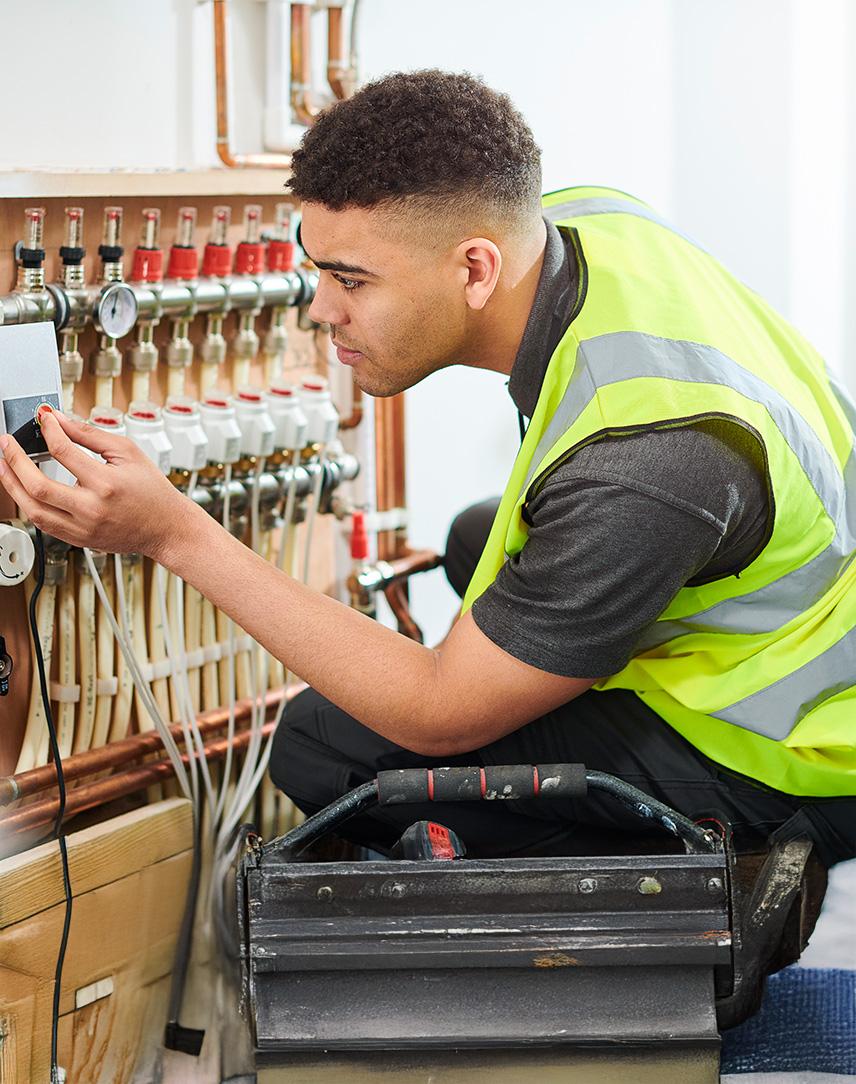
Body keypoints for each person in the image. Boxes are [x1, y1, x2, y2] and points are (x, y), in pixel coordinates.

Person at [1, 70, 854, 868]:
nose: (322, 312)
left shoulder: (646, 463)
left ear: (475, 269)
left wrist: (173, 533)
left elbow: (438, 715)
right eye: (317, 269)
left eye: (352, 280)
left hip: (798, 750)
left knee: (328, 743)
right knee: (473, 540)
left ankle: (677, 909)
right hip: (780, 611)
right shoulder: (588, 223)